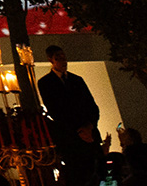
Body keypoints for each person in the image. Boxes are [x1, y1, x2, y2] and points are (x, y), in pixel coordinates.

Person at [36, 48, 101, 186]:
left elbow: (91, 105)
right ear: (51, 60)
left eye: (64, 56)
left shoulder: (77, 80)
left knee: (98, 171)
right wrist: (78, 129)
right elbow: (56, 111)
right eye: (58, 57)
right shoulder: (46, 83)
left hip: (89, 131)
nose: (63, 60)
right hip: (70, 137)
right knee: (78, 174)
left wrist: (90, 125)